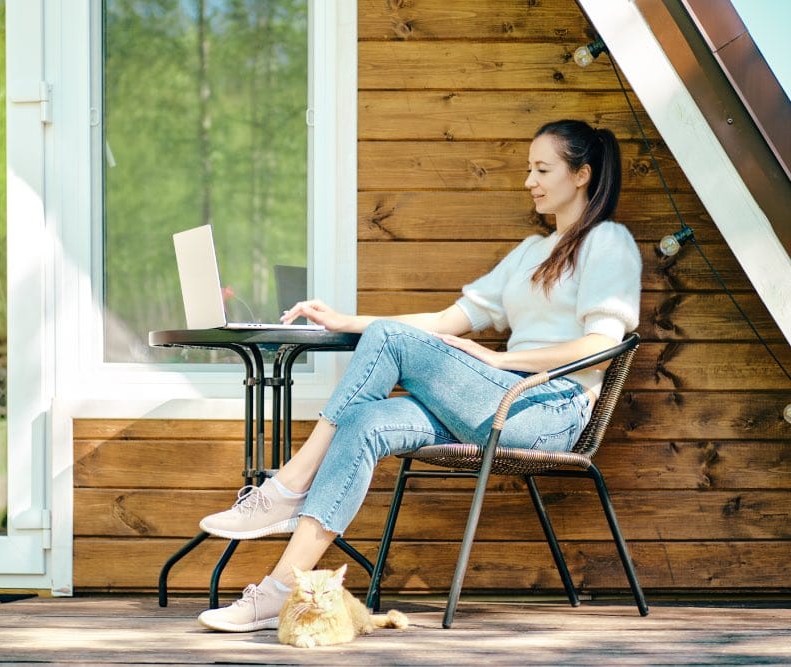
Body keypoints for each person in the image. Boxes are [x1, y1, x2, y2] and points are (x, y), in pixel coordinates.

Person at [195, 119, 642, 632]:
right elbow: (445, 322)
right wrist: (346, 321)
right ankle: (280, 590)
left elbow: (602, 349)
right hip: (492, 403)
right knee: (364, 423)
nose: (529, 181)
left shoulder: (609, 242)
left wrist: (499, 360)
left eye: (542, 169)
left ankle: (289, 486)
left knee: (387, 339)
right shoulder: (530, 253)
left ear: (583, 174)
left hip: (546, 410)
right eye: (528, 169)